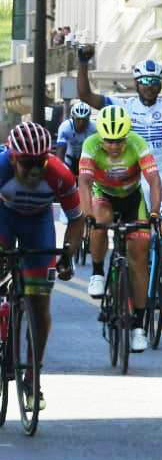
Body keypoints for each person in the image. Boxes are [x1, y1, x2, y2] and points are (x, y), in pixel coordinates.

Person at [74, 49, 162, 289]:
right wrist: (83, 62)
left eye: (154, 81)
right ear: (137, 83)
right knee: (129, 226)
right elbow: (86, 95)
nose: (150, 86)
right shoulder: (122, 105)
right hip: (131, 175)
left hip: (161, 172)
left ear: (160, 84)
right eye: (145, 82)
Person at [0, 122, 86, 406]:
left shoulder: (59, 173)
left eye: (40, 162)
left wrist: (68, 255)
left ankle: (33, 379)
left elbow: (76, 219)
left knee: (39, 301)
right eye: (27, 163)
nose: (34, 170)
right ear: (12, 157)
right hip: (4, 219)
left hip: (38, 224)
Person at [78, 105, 162, 352]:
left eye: (119, 141)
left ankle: (138, 327)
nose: (114, 146)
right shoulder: (91, 145)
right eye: (109, 141)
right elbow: (83, 181)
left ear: (127, 135)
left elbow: (154, 180)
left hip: (132, 199)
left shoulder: (137, 144)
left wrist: (155, 212)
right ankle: (97, 272)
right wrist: (87, 215)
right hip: (103, 195)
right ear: (101, 136)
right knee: (100, 219)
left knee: (138, 260)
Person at [54, 101, 96, 175]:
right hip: (69, 158)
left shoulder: (94, 127)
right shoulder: (65, 127)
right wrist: (60, 171)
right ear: (73, 118)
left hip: (86, 159)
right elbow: (60, 152)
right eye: (78, 119)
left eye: (84, 120)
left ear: (89, 119)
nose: (81, 123)